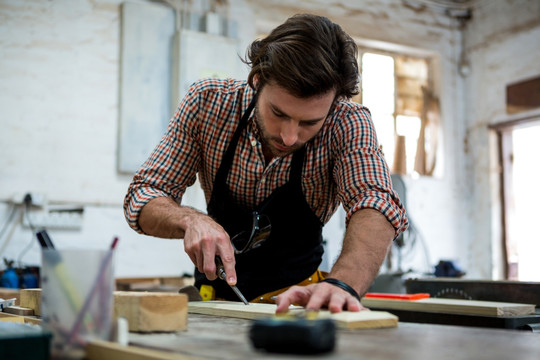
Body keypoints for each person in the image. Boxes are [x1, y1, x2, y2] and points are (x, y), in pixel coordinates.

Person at [124, 13, 408, 313]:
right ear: (257, 80)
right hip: (214, 305)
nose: (289, 136)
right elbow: (144, 194)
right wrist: (190, 220)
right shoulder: (206, 103)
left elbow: (375, 201)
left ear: (335, 103)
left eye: (309, 123)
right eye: (279, 113)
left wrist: (343, 285)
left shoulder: (348, 122)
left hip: (298, 307)